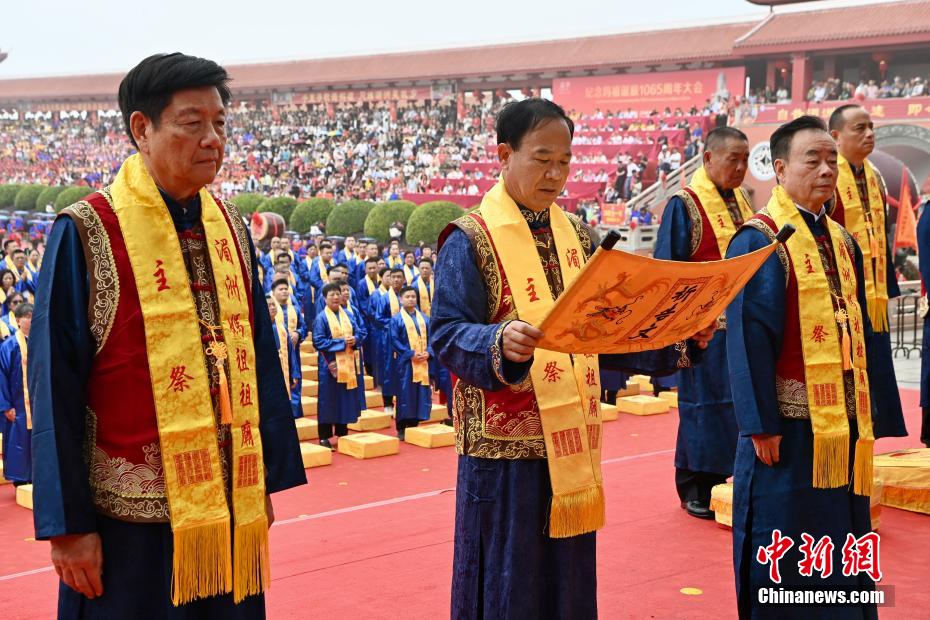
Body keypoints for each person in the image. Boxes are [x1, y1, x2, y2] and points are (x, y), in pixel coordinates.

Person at [29, 53, 305, 617]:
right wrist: (68, 526)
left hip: (228, 504)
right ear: (142, 129)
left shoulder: (230, 227)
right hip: (128, 523)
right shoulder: (86, 232)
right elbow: (54, 384)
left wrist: (264, 480)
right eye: (192, 122)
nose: (213, 139)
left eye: (221, 123)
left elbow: (257, 354)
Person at [432, 98, 715, 619]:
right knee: (506, 584)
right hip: (504, 453)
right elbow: (446, 335)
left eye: (564, 161)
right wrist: (497, 343)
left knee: (568, 585)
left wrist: (679, 339)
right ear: (503, 154)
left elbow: (606, 333)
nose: (555, 174)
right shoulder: (468, 239)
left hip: (572, 445)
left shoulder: (580, 238)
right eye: (542, 159)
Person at [726, 116, 877, 618]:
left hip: (842, 426)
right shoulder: (758, 239)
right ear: (781, 167)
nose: (827, 169)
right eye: (813, 159)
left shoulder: (842, 239)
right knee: (785, 542)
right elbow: (749, 338)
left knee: (841, 542)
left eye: (833, 159)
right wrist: (759, 424)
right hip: (787, 430)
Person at [654, 126, 753, 519]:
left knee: (739, 405)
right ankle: (697, 485)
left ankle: (734, 478)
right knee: (703, 406)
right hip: (703, 330)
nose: (741, 167)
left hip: (743, 327)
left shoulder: (744, 202)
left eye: (746, 159)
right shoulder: (685, 204)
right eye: (734, 159)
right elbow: (668, 268)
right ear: (708, 158)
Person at [828, 104, 906, 438]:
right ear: (836, 136)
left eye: (871, 127)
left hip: (871, 297)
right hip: (841, 298)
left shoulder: (873, 176)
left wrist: (886, 288)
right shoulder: (827, 177)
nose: (869, 134)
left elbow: (880, 237)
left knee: (874, 371)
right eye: (859, 128)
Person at [312, 282, 363, 449]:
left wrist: (355, 340)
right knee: (328, 399)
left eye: (337, 294)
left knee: (344, 398)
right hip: (330, 365)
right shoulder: (321, 318)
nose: (335, 297)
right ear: (324, 298)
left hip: (347, 363)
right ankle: (324, 437)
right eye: (331, 294)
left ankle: (342, 432)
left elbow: (360, 332)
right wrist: (341, 342)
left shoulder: (348, 314)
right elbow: (318, 341)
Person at [391, 286, 432, 440]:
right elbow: (394, 340)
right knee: (405, 393)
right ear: (401, 299)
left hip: (422, 361)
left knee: (419, 392)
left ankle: (415, 424)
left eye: (413, 296)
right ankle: (402, 427)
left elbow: (432, 338)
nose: (411, 299)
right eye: (407, 296)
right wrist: (410, 354)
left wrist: (429, 352)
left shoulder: (424, 318)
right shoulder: (396, 319)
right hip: (406, 363)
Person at [0, 302, 33, 485]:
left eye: (32, 316)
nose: (30, 319)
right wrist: (6, 405)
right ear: (18, 320)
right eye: (26, 316)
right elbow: (1, 376)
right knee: (17, 440)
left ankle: (37, 476)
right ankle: (20, 478)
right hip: (17, 405)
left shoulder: (40, 343)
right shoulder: (9, 346)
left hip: (36, 404)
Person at [271, 278, 306, 419]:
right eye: (281, 289)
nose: (285, 291)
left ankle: (295, 414)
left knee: (294, 381)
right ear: (273, 292)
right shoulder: (270, 309)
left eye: (286, 289)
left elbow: (304, 327)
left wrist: (298, 333)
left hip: (293, 353)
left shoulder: (295, 309)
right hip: (276, 355)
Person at [266, 294, 297, 397]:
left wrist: (293, 374)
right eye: (269, 305)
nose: (272, 307)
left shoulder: (282, 326)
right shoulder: (260, 328)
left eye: (273, 305)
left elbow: (290, 351)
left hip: (283, 366)